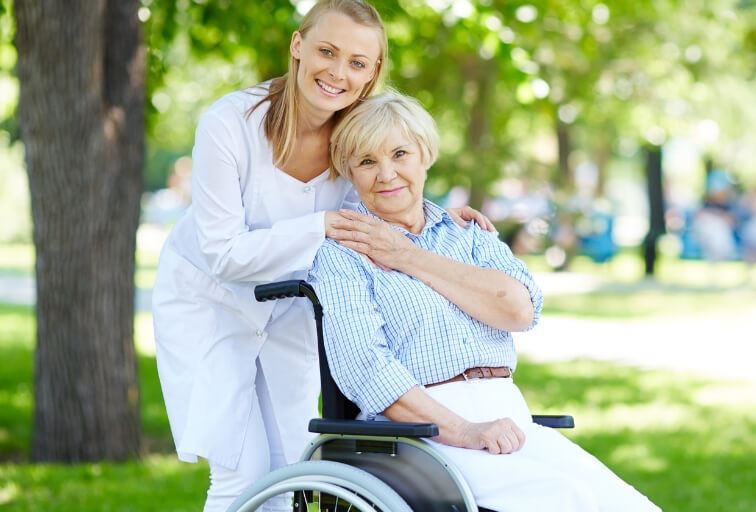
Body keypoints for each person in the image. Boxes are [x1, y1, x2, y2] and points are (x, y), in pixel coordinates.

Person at [151, 2, 492, 510]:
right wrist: (321, 225)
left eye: (357, 62)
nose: (338, 72)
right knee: (238, 472)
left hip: (292, 305)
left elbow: (387, 194)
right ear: (297, 46)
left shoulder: (357, 137)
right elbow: (222, 254)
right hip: (210, 301)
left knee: (294, 466)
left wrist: (442, 216)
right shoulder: (230, 123)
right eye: (327, 52)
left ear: (373, 72)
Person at [308, 91, 660, 511]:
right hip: (419, 438)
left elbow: (519, 309)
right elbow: (365, 370)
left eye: (400, 153)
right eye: (367, 162)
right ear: (350, 173)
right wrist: (465, 430)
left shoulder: (469, 236)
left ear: (425, 155)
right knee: (566, 499)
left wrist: (405, 256)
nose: (386, 173)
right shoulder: (343, 255)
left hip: (510, 416)